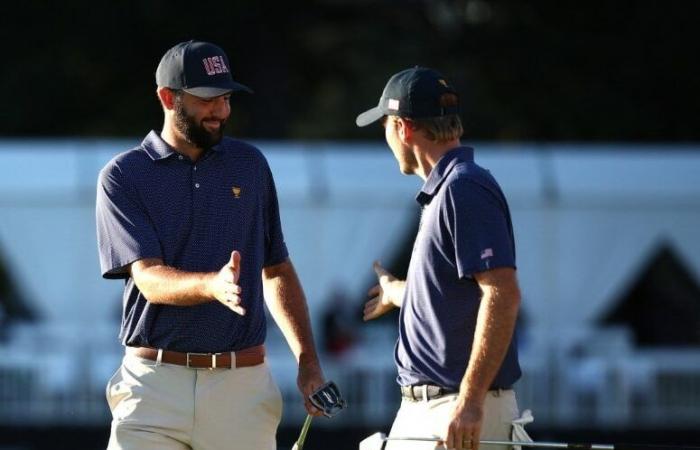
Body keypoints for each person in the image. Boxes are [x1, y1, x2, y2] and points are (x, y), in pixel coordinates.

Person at [96, 40, 325, 450]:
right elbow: (147, 278)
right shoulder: (124, 175)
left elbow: (276, 269)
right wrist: (212, 286)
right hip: (153, 386)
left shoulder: (250, 165)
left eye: (225, 98)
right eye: (207, 100)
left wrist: (309, 363)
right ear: (168, 98)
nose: (221, 111)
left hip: (242, 386)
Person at [356, 67, 527, 450]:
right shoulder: (450, 187)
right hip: (437, 409)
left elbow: (502, 295)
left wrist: (470, 401)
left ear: (403, 128)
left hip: (455, 410)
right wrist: (395, 292)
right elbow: (446, 292)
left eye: (384, 125)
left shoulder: (462, 188)